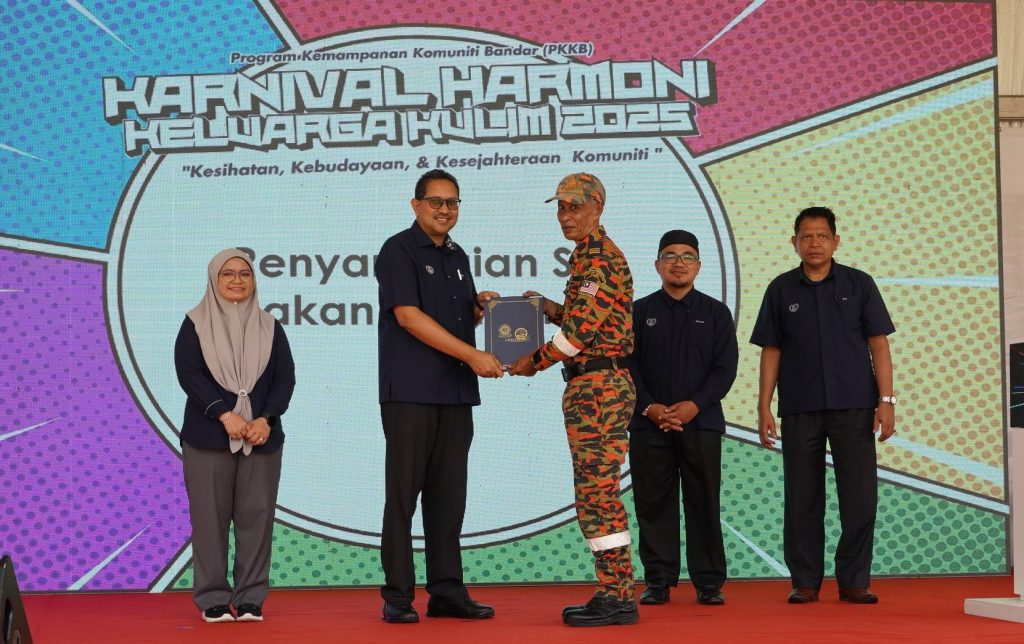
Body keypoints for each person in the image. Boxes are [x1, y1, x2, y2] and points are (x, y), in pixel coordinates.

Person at [509, 172, 638, 627]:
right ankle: (614, 590)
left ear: (597, 207)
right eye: (561, 207)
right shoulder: (586, 254)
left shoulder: (599, 258)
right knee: (593, 493)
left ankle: (619, 595)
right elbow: (594, 321)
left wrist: (533, 361)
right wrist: (550, 308)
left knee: (598, 493)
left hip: (599, 390)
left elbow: (578, 335)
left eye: (575, 206)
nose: (566, 215)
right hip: (592, 387)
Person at [375, 169, 504, 624]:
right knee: (403, 496)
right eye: (436, 201)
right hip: (411, 392)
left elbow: (453, 317)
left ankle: (447, 591)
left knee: (448, 499)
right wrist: (472, 355)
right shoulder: (398, 250)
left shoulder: (457, 254)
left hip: (455, 392)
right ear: (416, 205)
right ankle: (398, 595)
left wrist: (478, 307)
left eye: (452, 202)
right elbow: (408, 317)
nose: (445, 210)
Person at [750, 206, 896, 605]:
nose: (814, 243)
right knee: (802, 498)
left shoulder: (859, 283)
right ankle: (805, 581)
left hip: (855, 405)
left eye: (822, 236)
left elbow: (879, 344)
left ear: (835, 241)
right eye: (806, 236)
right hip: (800, 406)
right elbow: (771, 350)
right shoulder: (780, 289)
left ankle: (854, 580)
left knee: (860, 498)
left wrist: (886, 400)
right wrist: (764, 406)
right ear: (794, 242)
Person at [174, 248, 296, 623]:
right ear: (214, 279)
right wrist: (224, 414)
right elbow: (189, 375)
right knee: (209, 521)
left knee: (256, 520)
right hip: (207, 439)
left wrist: (266, 420)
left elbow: (284, 379)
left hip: (261, 439)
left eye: (245, 273)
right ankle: (212, 598)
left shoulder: (270, 326)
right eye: (227, 274)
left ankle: (250, 599)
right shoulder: (194, 323)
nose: (237, 280)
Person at [627, 230, 738, 607]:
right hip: (648, 424)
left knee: (703, 500)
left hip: (701, 423)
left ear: (699, 266)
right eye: (670, 256)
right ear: (657, 265)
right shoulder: (638, 312)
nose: (679, 263)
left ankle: (708, 581)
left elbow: (724, 369)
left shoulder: (716, 313)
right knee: (652, 502)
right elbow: (627, 366)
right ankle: (658, 580)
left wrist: (694, 405)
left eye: (687, 256)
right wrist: (650, 407)